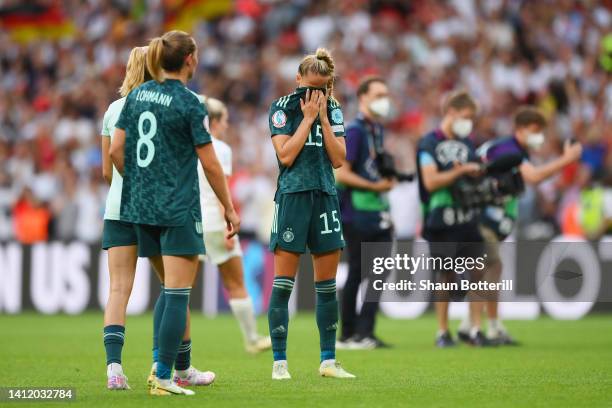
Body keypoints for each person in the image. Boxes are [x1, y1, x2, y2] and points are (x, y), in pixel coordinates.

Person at [109, 30, 240, 396]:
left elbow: (116, 148)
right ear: (189, 60)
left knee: (169, 291)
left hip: (141, 208)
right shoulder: (189, 102)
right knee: (178, 292)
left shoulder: (136, 96)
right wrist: (228, 207)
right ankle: (164, 376)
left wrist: (138, 183)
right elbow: (211, 164)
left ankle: (167, 369)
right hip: (177, 207)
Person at [457, 106, 583, 345]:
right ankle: (475, 329)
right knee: (486, 269)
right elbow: (533, 177)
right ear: (520, 129)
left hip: (491, 217)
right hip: (480, 216)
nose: (539, 136)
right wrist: (566, 160)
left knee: (492, 270)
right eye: (535, 130)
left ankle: (487, 326)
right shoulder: (509, 149)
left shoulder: (510, 149)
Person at [267, 48, 355, 379]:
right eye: (309, 88)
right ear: (297, 80)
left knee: (327, 285)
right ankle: (279, 362)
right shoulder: (282, 108)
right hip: (293, 196)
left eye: (322, 89)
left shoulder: (333, 110)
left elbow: (338, 159)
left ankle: (328, 361)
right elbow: (286, 155)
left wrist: (320, 117)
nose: (315, 95)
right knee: (283, 283)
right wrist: (306, 118)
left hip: (325, 196)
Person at [197, 96, 271, 353]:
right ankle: (252, 339)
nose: (227, 125)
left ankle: (165, 357)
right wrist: (227, 225)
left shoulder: (185, 145)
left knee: (176, 290)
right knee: (236, 283)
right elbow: (222, 190)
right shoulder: (220, 149)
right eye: (225, 119)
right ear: (214, 121)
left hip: (189, 224)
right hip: (216, 224)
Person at [416, 90, 489, 347]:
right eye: (466, 116)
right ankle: (442, 332)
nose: (469, 122)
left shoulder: (468, 144)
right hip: (440, 217)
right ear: (451, 112)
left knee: (479, 270)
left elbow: (477, 175)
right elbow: (430, 181)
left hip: (468, 215)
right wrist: (460, 173)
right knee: (445, 274)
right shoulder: (429, 143)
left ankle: (475, 330)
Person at [335, 76, 395, 349]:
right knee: (359, 272)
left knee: (376, 272)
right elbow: (342, 172)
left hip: (378, 210)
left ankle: (362, 331)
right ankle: (351, 333)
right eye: (378, 94)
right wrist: (375, 185)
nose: (384, 100)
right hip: (357, 212)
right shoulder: (356, 131)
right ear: (362, 98)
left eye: (385, 94)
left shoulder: (377, 130)